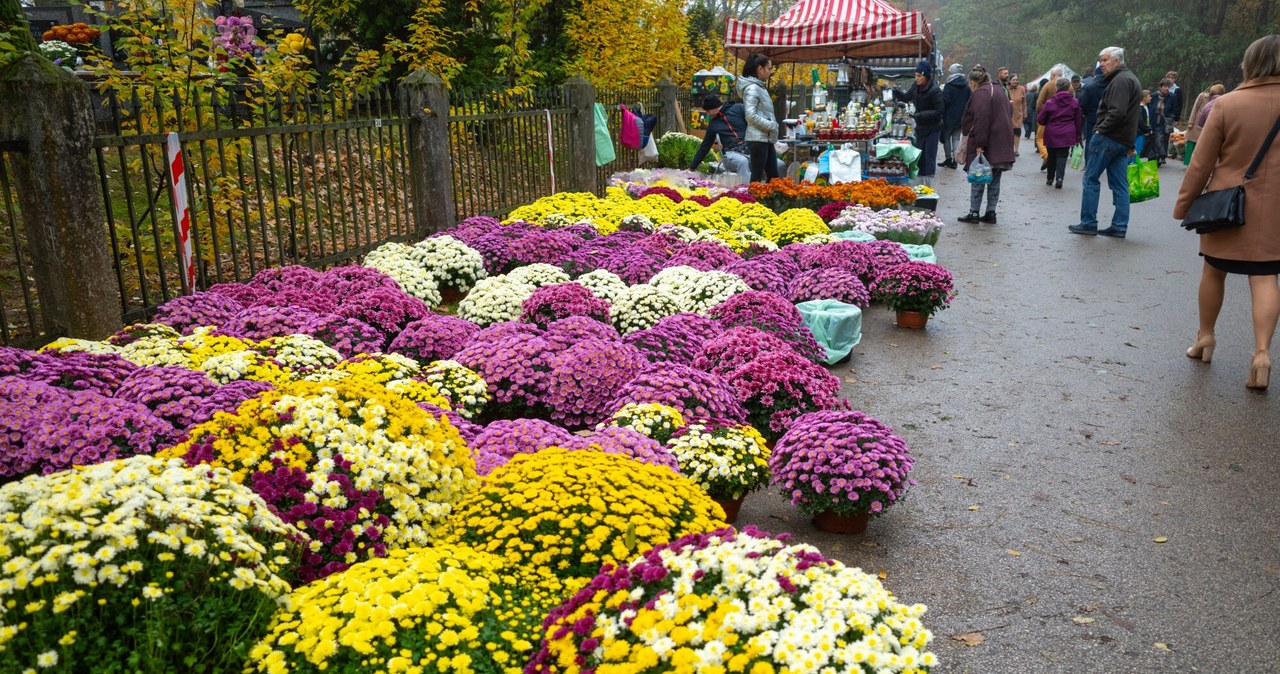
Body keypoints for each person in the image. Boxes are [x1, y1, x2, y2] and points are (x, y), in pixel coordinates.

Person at [1173, 35, 1280, 390]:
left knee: (1214, 270)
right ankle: (1262, 355)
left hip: (1228, 205)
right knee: (1265, 277)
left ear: (1251, 62)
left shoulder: (1227, 104)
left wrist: (1184, 205)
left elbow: (1200, 164)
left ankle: (1205, 339)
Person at [1069, 46, 1142, 238]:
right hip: (1123, 141)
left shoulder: (1120, 81)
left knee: (1091, 178)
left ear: (1117, 61)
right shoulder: (1130, 78)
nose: (1101, 64)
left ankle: (1088, 222)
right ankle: (1119, 226)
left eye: (1105, 60)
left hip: (1109, 138)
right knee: (1120, 185)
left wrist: (1100, 130)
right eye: (1100, 60)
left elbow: (1117, 112)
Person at [957, 66, 1015, 224]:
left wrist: (980, 144)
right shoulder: (998, 90)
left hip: (988, 143)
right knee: (995, 180)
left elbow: (981, 119)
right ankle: (991, 213)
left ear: (973, 82)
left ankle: (974, 212)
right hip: (1002, 142)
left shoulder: (980, 93)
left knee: (978, 176)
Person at [687, 95, 782, 183]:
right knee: (742, 161)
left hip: (749, 149)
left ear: (714, 108)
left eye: (708, 111)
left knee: (779, 164)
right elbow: (705, 147)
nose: (707, 114)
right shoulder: (713, 124)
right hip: (731, 154)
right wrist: (692, 167)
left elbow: (754, 121)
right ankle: (749, 191)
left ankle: (774, 191)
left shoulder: (738, 108)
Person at [892, 60, 945, 185]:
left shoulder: (934, 90)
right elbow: (906, 97)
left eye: (919, 76)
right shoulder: (916, 86)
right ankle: (919, 182)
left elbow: (939, 111)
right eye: (915, 75)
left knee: (929, 156)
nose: (916, 78)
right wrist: (895, 91)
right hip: (921, 127)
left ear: (926, 76)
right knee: (918, 154)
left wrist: (920, 115)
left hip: (933, 127)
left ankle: (928, 185)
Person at [737, 53, 779, 183]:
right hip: (757, 139)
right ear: (760, 69)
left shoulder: (759, 87)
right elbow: (750, 116)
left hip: (765, 138)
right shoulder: (753, 89)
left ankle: (770, 201)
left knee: (773, 177)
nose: (770, 72)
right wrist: (771, 125)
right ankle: (752, 202)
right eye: (769, 68)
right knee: (757, 177)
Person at [1037, 77, 1083, 188]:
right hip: (1067, 133)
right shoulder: (1074, 102)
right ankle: (1060, 178)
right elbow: (1078, 121)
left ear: (1057, 87)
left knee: (1051, 156)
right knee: (1062, 156)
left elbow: (1040, 119)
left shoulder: (1050, 102)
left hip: (1052, 133)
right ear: (1068, 87)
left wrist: (1049, 120)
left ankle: (1050, 178)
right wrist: (1078, 137)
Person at [1184, 82, 1226, 165]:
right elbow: (1195, 107)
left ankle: (1196, 163)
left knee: (1201, 144)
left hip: (1207, 123)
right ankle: (1189, 162)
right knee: (1192, 143)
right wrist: (1191, 122)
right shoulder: (1202, 95)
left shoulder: (1219, 99)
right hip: (1197, 122)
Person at [939, 63, 970, 168]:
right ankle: (955, 161)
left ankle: (948, 159)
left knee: (947, 137)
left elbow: (946, 101)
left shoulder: (949, 84)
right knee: (956, 138)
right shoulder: (966, 85)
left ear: (952, 72)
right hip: (961, 116)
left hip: (948, 116)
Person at [1077, 65, 1106, 154]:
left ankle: (1088, 163)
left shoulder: (1090, 86)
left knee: (1090, 140)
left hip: (1092, 117)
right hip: (1107, 118)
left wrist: (1086, 113)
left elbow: (1083, 103)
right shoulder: (1111, 85)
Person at [1150, 79, 1174, 166]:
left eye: (1168, 87)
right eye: (1165, 87)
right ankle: (1156, 156)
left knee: (1161, 138)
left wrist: (1171, 116)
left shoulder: (1171, 97)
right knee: (1154, 138)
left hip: (1165, 121)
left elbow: (1174, 109)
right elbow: (1149, 107)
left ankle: (1159, 157)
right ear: (1160, 87)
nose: (1167, 89)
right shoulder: (1153, 96)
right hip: (1154, 120)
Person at [1164, 70, 1183, 158]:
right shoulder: (1163, 88)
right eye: (1169, 77)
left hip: (1171, 115)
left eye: (1172, 78)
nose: (1170, 79)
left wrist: (1176, 118)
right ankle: (1163, 151)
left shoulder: (1177, 90)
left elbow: (1179, 104)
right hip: (1162, 113)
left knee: (1169, 133)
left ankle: (1170, 151)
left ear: (1175, 79)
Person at [1009, 74, 1027, 156]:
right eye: (1013, 80)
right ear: (1010, 81)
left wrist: (1025, 113)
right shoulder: (1006, 88)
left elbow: (1024, 103)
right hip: (1008, 114)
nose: (1015, 81)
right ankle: (1010, 148)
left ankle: (1016, 150)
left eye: (1016, 80)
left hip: (1018, 114)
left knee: (1017, 131)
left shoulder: (1022, 89)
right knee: (1009, 132)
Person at [1135, 89, 1152, 159]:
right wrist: (1147, 129)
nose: (1151, 97)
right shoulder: (1140, 108)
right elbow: (1140, 121)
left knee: (1140, 149)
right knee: (1137, 149)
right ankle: (1132, 164)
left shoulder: (1146, 106)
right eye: (1149, 96)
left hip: (1143, 131)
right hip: (1139, 132)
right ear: (1144, 98)